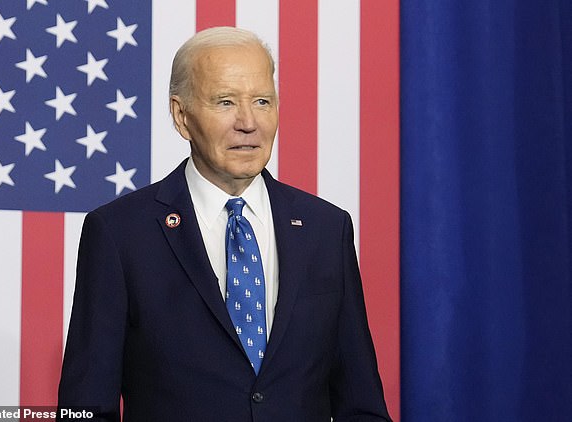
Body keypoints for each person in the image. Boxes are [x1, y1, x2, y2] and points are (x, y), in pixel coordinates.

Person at [58, 26, 391, 422]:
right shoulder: (119, 234)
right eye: (226, 102)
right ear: (182, 116)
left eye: (262, 101)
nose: (248, 122)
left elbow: (361, 405)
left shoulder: (326, 229)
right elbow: (87, 408)